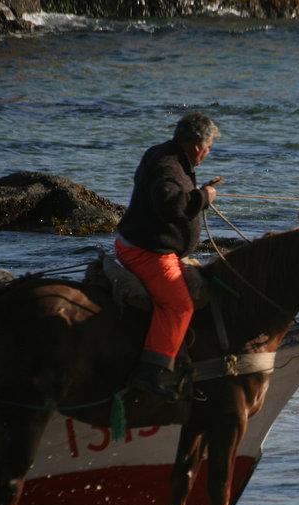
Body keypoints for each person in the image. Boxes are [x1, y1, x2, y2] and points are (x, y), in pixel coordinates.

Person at [115, 112, 221, 400]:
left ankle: (185, 362)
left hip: (150, 246)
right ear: (198, 145)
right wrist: (202, 198)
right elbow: (170, 204)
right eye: (210, 147)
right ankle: (149, 374)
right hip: (147, 252)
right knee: (179, 306)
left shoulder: (167, 155)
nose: (209, 152)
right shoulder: (168, 166)